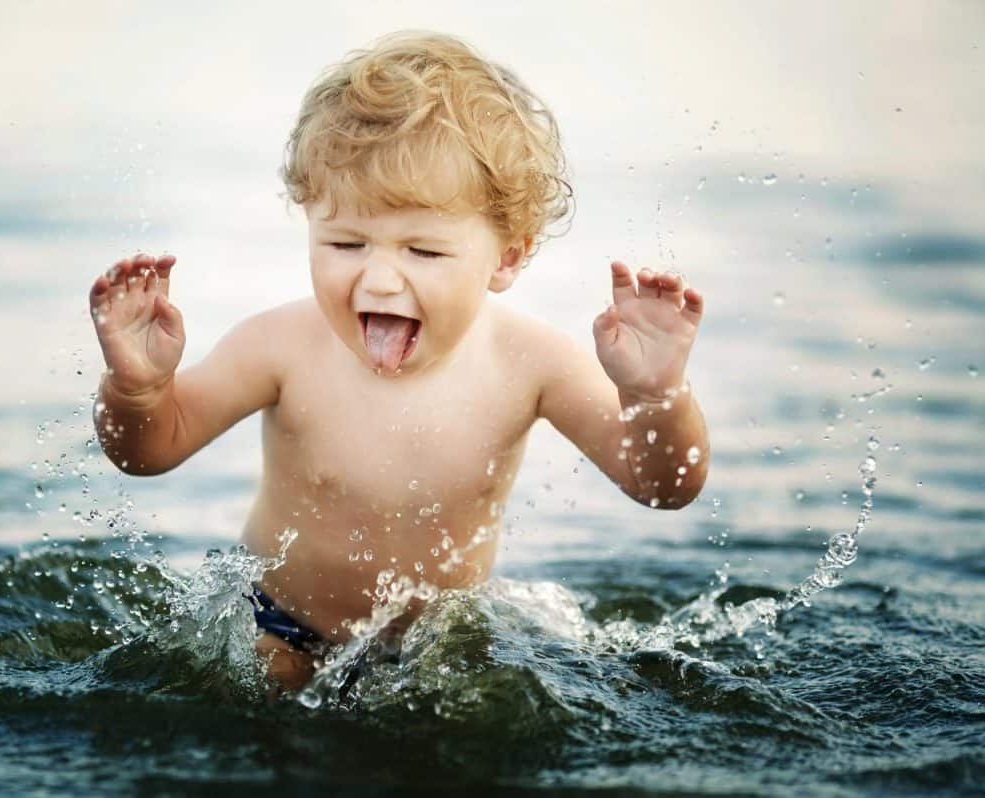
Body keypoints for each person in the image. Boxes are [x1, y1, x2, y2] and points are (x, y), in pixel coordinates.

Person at [87, 32, 708, 690]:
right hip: (280, 624)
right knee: (270, 707)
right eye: (347, 242)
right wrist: (140, 390)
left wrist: (654, 396)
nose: (380, 281)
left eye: (424, 252)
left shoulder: (531, 364)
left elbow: (662, 488)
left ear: (507, 257)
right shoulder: (281, 346)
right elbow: (147, 454)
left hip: (442, 647)